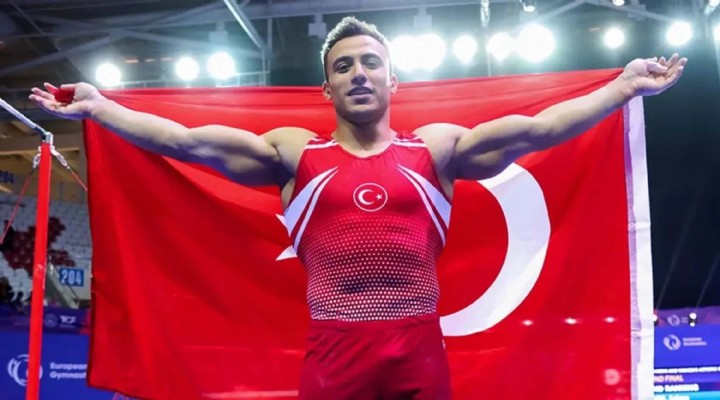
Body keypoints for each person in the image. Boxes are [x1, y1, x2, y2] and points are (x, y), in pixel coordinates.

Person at [30, 16, 686, 400]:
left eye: (371, 63)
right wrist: (101, 108)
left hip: (418, 349)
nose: (359, 74)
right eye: (344, 67)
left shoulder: (435, 149)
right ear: (327, 87)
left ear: (393, 80)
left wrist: (623, 87)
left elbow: (535, 131)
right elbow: (187, 142)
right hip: (334, 353)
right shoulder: (296, 155)